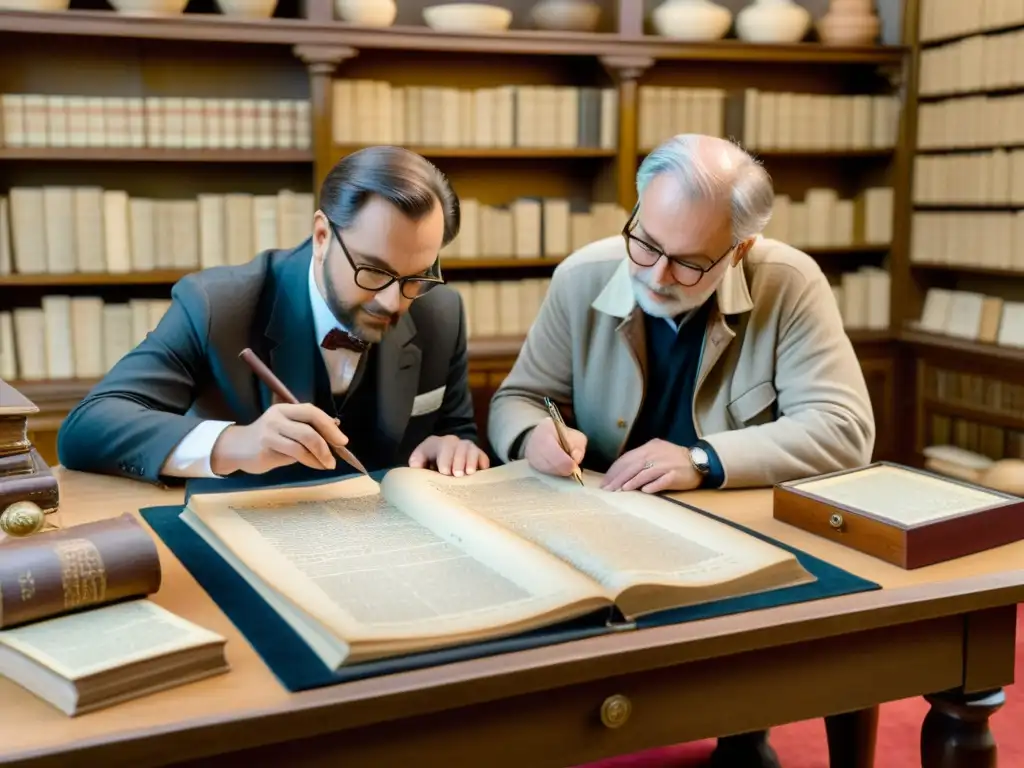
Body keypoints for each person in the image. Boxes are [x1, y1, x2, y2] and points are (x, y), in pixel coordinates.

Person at [487, 134, 875, 767]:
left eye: (690, 262)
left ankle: (744, 730)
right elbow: (519, 399)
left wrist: (703, 460)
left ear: (740, 249)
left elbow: (843, 427)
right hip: (598, 522)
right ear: (637, 210)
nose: (656, 274)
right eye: (645, 242)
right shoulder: (582, 275)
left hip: (732, 538)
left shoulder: (790, 282)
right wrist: (535, 436)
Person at [58, 146, 488, 486]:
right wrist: (235, 443)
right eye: (374, 271)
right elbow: (86, 428)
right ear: (322, 236)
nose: (394, 302)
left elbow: (456, 427)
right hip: (246, 543)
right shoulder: (218, 304)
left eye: (416, 277)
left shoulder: (440, 311)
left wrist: (455, 447)